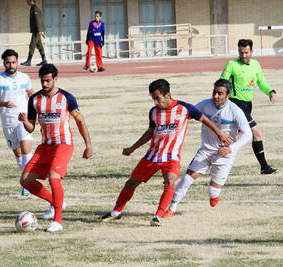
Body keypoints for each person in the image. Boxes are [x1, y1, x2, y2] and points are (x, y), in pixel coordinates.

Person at [99, 79, 233, 227]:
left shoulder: (185, 109)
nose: (155, 102)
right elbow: (150, 132)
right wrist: (133, 148)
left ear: (168, 95)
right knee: (131, 183)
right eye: (153, 99)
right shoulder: (154, 112)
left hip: (171, 158)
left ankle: (158, 216)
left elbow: (204, 119)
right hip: (152, 156)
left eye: (157, 98)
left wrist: (219, 132)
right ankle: (115, 212)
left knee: (170, 180)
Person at [18, 64, 92, 232]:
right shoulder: (35, 100)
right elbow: (31, 128)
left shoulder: (67, 98)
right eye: (42, 81)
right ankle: (55, 202)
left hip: (63, 145)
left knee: (53, 177)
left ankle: (57, 221)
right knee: (25, 180)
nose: (44, 84)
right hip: (45, 147)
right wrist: (25, 122)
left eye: (48, 81)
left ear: (55, 79)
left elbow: (80, 121)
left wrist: (88, 145)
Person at [163, 79, 252, 218]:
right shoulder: (205, 104)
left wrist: (230, 149)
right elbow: (189, 112)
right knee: (186, 179)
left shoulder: (235, 110)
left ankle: (215, 194)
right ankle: (171, 208)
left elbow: (248, 134)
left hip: (225, 155)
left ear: (228, 96)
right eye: (214, 92)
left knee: (213, 192)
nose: (215, 96)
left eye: (220, 93)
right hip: (205, 150)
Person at [220, 39, 278, 174]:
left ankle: (214, 160)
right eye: (241, 52)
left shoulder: (256, 65)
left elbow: (262, 82)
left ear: (252, 51)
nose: (244, 55)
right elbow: (222, 82)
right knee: (256, 132)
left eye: (246, 52)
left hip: (247, 105)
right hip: (235, 103)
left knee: (233, 136)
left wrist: (270, 91)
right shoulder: (231, 65)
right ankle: (264, 167)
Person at [0, 49, 34, 196]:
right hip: (8, 121)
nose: (11, 65)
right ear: (4, 63)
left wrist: (34, 115)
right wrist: (4, 103)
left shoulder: (24, 78)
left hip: (23, 118)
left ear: (17, 62)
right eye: (8, 62)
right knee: (18, 154)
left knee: (26, 150)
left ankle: (27, 184)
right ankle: (29, 177)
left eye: (13, 62)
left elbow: (31, 95)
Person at [21, 0, 47, 67]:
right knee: (39, 45)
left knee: (32, 45)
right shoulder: (33, 7)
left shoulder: (35, 8)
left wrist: (39, 30)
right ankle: (44, 60)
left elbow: (37, 20)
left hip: (36, 30)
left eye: (28, 1)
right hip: (36, 30)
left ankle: (29, 61)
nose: (27, 2)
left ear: (31, 0)